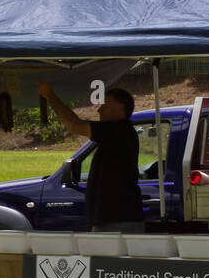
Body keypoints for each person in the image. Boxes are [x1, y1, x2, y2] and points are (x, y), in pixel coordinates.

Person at [38, 80, 144, 232]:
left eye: (105, 105)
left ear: (120, 108)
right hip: (114, 220)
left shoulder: (119, 131)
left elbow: (74, 124)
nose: (99, 110)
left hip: (118, 221)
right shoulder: (118, 133)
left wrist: (49, 95)